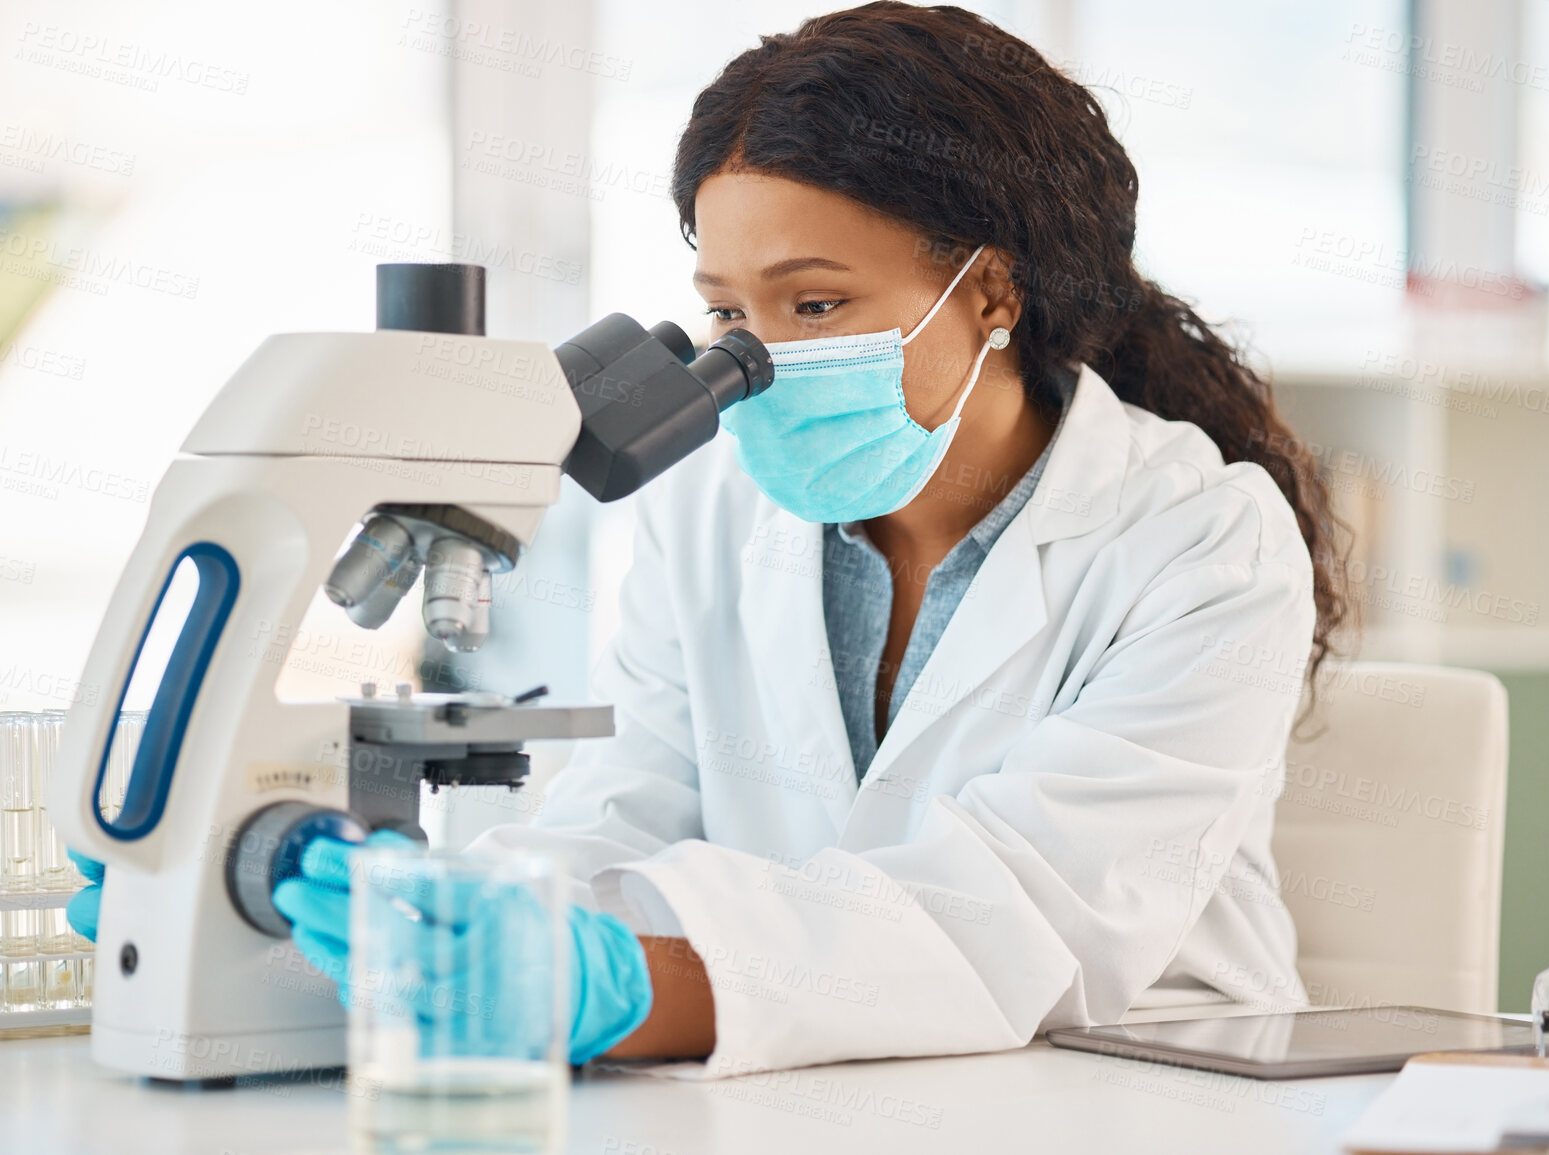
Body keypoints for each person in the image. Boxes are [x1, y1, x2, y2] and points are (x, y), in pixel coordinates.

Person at [74, 2, 1349, 1075]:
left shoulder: (1202, 544)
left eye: (814, 302)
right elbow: (632, 806)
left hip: (1131, 1096)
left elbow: (1019, 917)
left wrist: (604, 990)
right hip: (803, 1095)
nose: (762, 357)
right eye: (727, 308)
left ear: (995, 291)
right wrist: (432, 930)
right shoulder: (715, 503)